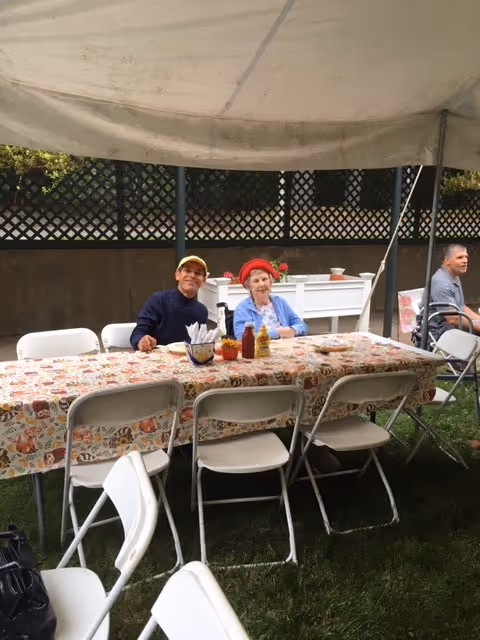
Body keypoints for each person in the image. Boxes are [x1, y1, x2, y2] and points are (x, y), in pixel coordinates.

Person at [130, 255, 209, 351]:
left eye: (198, 273)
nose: (192, 275)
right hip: (157, 361)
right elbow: (138, 332)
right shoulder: (158, 300)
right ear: (177, 275)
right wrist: (142, 341)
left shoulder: (202, 310)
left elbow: (199, 344)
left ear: (203, 281)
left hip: (189, 362)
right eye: (187, 271)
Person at [233, 258, 307, 340]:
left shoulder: (280, 302)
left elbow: (302, 325)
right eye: (256, 281)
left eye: (264, 279)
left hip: (286, 347)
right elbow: (242, 337)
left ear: (271, 282)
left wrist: (293, 330)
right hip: (260, 351)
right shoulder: (242, 308)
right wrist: (276, 333)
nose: (262, 284)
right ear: (249, 287)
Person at [428, 244, 480, 341]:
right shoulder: (441, 282)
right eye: (460, 257)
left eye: (466, 257)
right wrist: (477, 326)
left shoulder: (454, 277)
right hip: (439, 332)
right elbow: (453, 319)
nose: (465, 261)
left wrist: (478, 320)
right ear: (447, 261)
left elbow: (461, 307)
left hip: (451, 328)